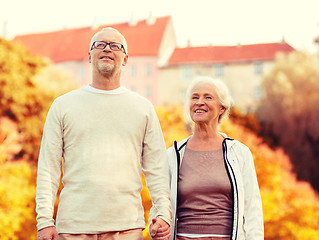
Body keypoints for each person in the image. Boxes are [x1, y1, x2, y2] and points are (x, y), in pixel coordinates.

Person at [36, 27, 172, 240]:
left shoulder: (143, 108)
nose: (107, 49)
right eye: (100, 44)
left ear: (125, 59)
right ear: (89, 56)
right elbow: (48, 169)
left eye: (115, 46)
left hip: (127, 227)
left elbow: (157, 168)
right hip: (73, 227)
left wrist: (164, 213)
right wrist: (44, 222)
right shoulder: (62, 106)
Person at [149, 76, 264, 240]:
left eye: (207, 97)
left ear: (222, 107)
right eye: (194, 97)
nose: (199, 102)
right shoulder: (173, 155)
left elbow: (252, 210)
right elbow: (159, 203)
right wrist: (155, 227)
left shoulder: (239, 153)